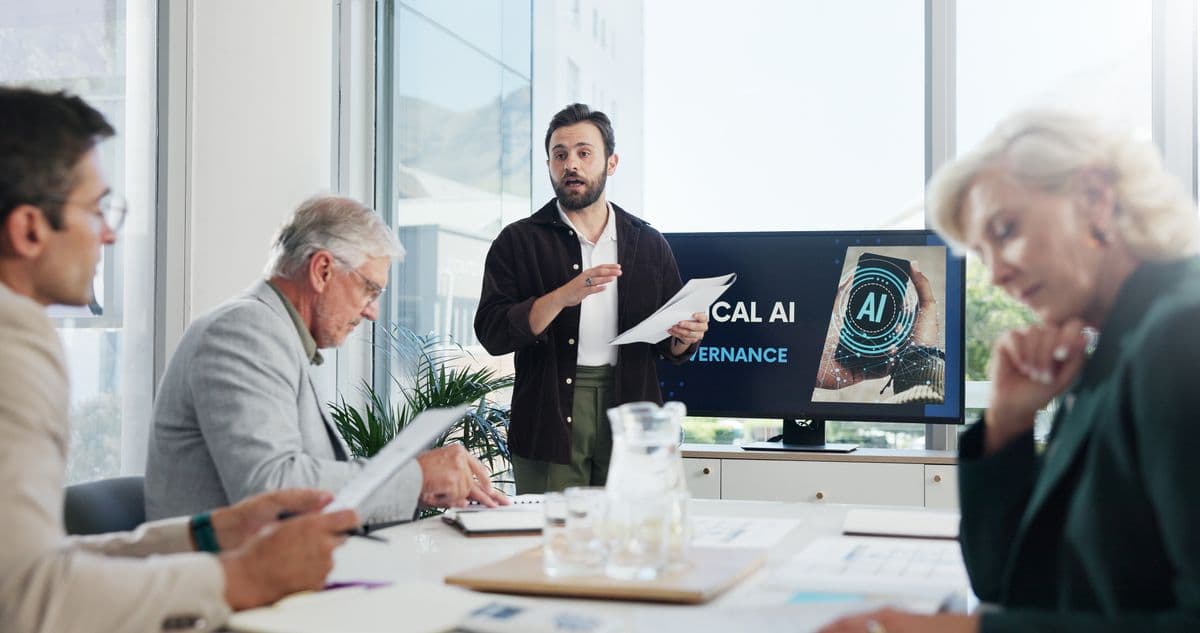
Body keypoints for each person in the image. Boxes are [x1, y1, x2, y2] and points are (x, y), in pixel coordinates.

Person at [821, 110, 1200, 633]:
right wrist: (1006, 424)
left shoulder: (1182, 334)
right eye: (983, 252)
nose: (996, 273)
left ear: (1095, 197)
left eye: (1006, 231)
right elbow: (1008, 582)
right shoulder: (1114, 350)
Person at [0, 86, 361, 633]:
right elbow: (28, 601)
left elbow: (28, 568)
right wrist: (241, 579)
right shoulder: (14, 341)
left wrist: (204, 536)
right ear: (29, 229)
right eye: (98, 209)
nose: (110, 235)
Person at [145, 195, 509, 524]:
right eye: (370, 289)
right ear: (322, 270)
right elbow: (272, 489)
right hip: (228, 587)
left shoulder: (277, 335)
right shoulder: (243, 330)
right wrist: (416, 479)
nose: (373, 312)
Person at [474, 103, 708, 493]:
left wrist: (685, 336)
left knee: (630, 534)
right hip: (549, 412)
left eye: (584, 153)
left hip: (630, 406)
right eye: (560, 155)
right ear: (548, 163)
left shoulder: (648, 243)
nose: (571, 165)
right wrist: (561, 297)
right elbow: (493, 333)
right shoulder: (517, 241)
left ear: (611, 163)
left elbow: (671, 346)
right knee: (553, 540)